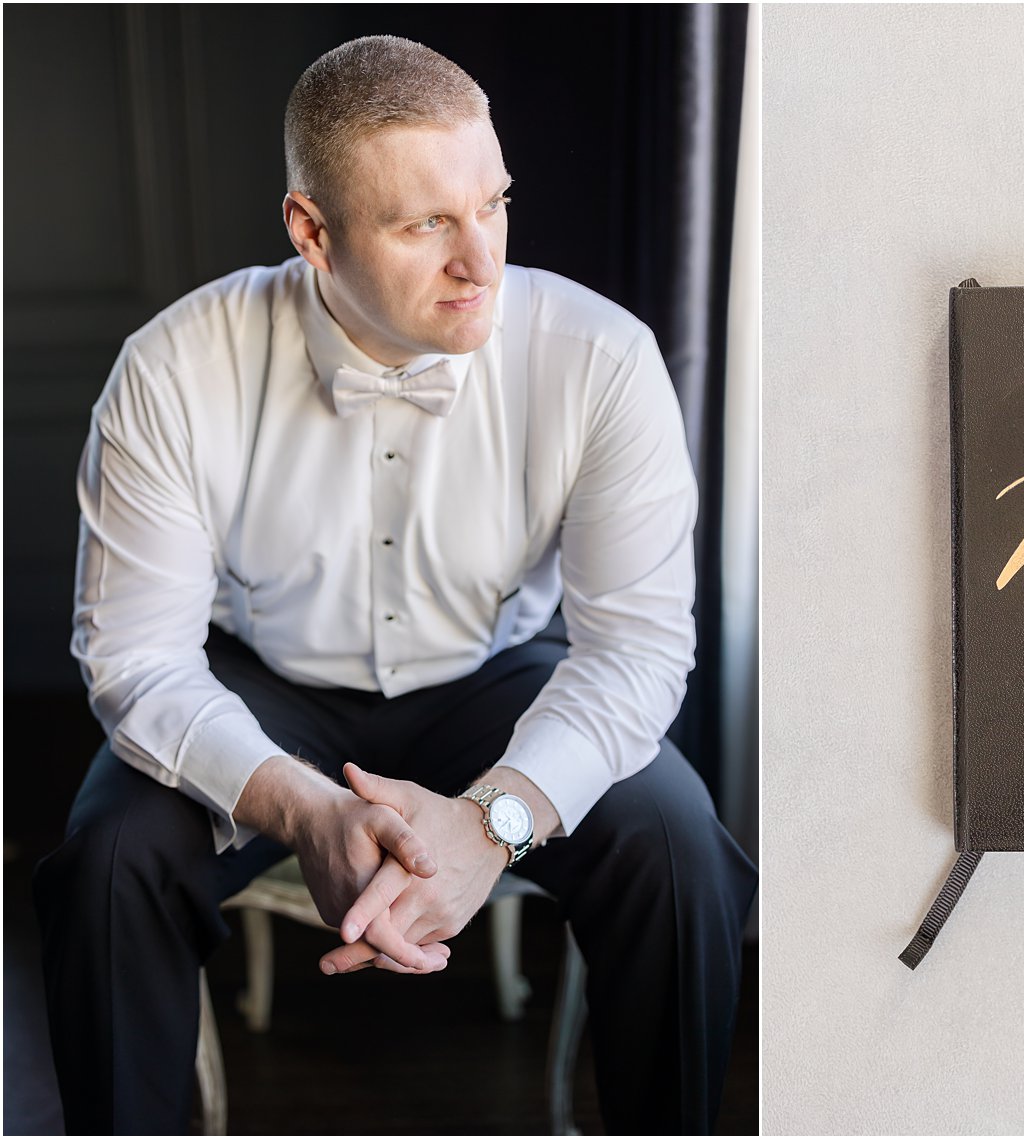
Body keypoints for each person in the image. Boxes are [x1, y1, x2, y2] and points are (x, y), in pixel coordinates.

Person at [33, 34, 756, 1135]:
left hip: (493, 675)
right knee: (108, 862)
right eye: (426, 224)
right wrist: (301, 804)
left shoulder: (601, 359)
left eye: (493, 203)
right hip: (266, 681)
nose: (482, 262)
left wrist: (493, 820)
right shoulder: (176, 367)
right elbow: (136, 659)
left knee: (678, 846)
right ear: (310, 230)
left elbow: (634, 653)